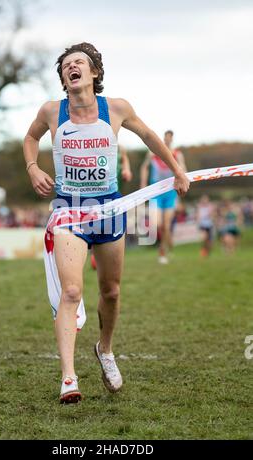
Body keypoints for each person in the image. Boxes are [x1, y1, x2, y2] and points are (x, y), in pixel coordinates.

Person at [23, 42, 190, 403]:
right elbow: (30, 138)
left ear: (94, 72)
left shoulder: (115, 108)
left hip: (110, 209)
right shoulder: (52, 111)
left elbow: (148, 136)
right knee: (71, 291)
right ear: (64, 78)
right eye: (67, 65)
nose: (72, 67)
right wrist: (33, 166)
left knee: (111, 291)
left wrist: (177, 171)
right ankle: (68, 377)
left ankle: (105, 349)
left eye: (79, 62)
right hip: (69, 211)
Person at [140, 130, 187, 264]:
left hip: (171, 192)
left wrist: (183, 182)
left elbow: (183, 169)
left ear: (172, 140)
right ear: (163, 138)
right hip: (155, 191)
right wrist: (143, 185)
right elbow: (144, 167)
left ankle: (162, 251)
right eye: (165, 138)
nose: (167, 141)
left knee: (166, 226)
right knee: (157, 224)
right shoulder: (153, 152)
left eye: (169, 139)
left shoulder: (177, 154)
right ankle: (167, 242)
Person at [90, 145, 132, 269]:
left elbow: (125, 161)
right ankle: (95, 255)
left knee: (112, 230)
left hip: (114, 200)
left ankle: (106, 256)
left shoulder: (120, 155)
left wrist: (126, 170)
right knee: (96, 226)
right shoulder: (98, 155)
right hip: (97, 199)